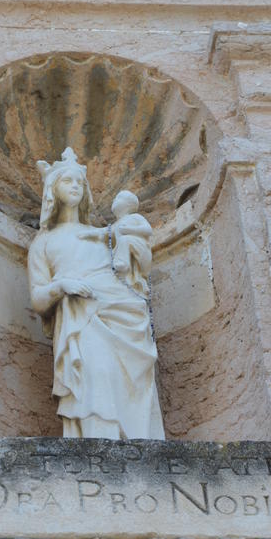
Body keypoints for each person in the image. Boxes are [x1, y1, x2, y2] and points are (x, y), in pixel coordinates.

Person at [27, 147, 165, 440]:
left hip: (122, 311)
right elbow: (38, 299)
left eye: (80, 182)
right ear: (53, 190)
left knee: (125, 381)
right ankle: (97, 447)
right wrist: (60, 286)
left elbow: (134, 269)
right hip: (81, 317)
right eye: (67, 181)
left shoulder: (107, 235)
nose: (75, 186)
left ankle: (139, 443)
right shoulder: (43, 242)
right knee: (95, 377)